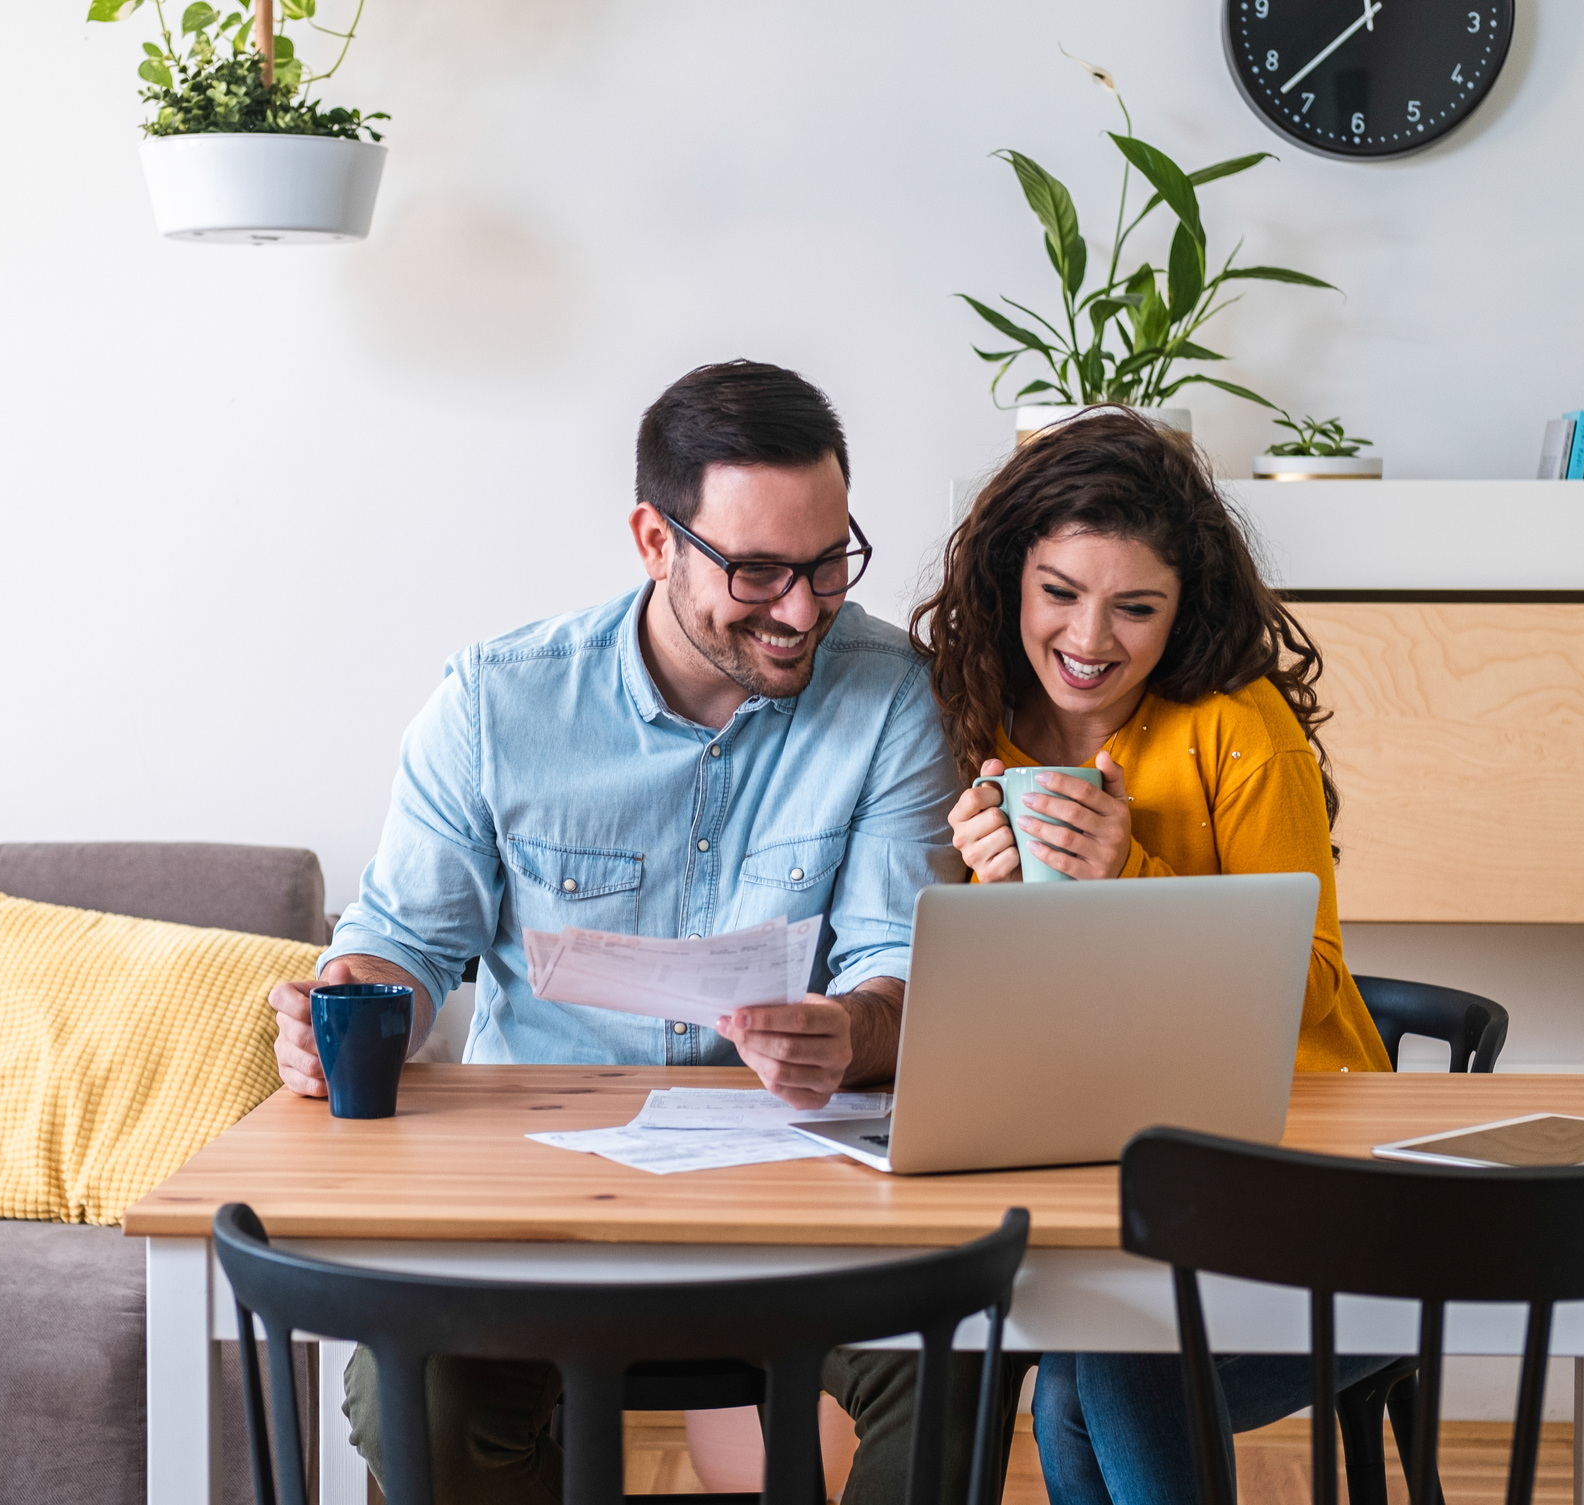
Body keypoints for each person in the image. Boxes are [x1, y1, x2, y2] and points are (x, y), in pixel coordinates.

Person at [269, 360, 985, 1505]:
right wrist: (349, 1005)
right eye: (756, 571)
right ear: (655, 538)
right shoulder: (497, 704)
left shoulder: (891, 695)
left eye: (825, 563)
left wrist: (847, 1032)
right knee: (418, 1398)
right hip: (533, 1203)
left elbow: (898, 966)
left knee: (962, 1364)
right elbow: (401, 942)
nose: (802, 609)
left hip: (802, 1199)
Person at [911, 407, 1392, 1505]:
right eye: (1060, 593)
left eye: (1137, 607)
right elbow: (1013, 1017)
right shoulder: (974, 716)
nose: (1092, 638)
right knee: (1086, 1366)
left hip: (1303, 1178)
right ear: (1008, 581)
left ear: (1185, 611)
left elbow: (1310, 983)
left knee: (1100, 1371)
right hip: (1105, 1169)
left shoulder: (1237, 724)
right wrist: (991, 890)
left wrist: (1127, 874)